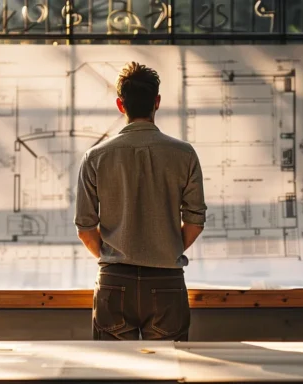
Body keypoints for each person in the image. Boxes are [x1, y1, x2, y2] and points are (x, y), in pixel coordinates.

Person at [74, 62, 207, 341]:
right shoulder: (184, 155)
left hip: (114, 282)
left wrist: (116, 254)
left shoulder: (95, 157)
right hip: (166, 283)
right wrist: (164, 246)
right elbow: (195, 221)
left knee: (116, 375)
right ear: (156, 102)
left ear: (120, 105)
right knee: (170, 373)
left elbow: (85, 229)